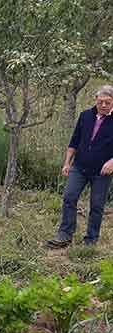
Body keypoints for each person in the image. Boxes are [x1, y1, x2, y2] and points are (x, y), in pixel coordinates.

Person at [46, 85, 113, 248]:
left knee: (96, 205)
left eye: (108, 103)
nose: (104, 105)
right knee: (69, 197)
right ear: (95, 100)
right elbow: (74, 141)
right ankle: (65, 235)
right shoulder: (85, 116)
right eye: (101, 102)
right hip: (79, 166)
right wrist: (67, 163)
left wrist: (112, 162)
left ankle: (91, 240)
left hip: (101, 171)